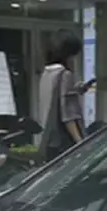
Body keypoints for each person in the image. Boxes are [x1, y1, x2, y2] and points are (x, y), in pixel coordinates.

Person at [37, 31, 94, 162]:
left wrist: (78, 89)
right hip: (64, 140)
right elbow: (68, 115)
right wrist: (80, 143)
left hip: (49, 139)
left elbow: (56, 97)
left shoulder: (46, 73)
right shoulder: (65, 74)